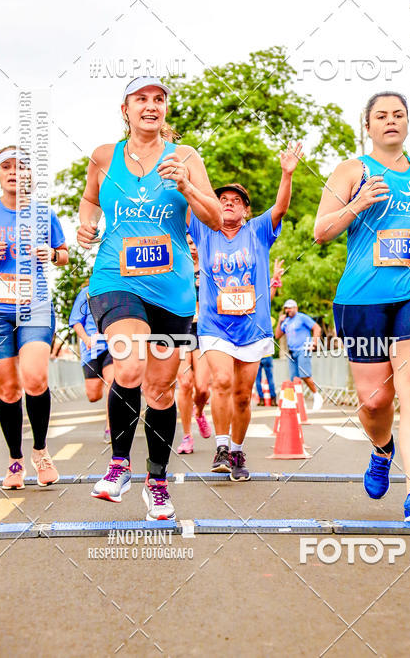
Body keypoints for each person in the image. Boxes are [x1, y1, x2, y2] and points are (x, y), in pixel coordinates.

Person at [78, 76, 222, 519]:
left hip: (174, 289)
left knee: (160, 390)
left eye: (158, 99)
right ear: (126, 109)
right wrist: (85, 225)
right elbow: (89, 199)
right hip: (115, 279)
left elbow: (216, 218)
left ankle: (156, 483)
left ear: (165, 109)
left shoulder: (186, 158)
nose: (151, 106)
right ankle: (119, 464)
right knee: (130, 362)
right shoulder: (105, 157)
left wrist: (188, 188)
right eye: (141, 99)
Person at [314, 91, 410, 523]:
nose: (391, 120)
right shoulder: (353, 170)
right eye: (381, 115)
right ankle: (381, 448)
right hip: (363, 296)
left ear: (408, 123)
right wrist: (357, 204)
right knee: (375, 401)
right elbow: (321, 231)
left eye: (399, 114)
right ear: (368, 126)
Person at [189, 143, 302, 482]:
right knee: (221, 381)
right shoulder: (204, 230)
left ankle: (237, 449)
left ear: (247, 211)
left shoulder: (257, 232)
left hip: (252, 328)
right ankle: (221, 447)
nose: (228, 203)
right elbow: (186, 204)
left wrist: (287, 173)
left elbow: (280, 208)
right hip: (214, 324)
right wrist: (186, 181)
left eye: (236, 200)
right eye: (222, 199)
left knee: (242, 395)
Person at [0, 145, 68, 489]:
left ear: (29, 176)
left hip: (34, 305)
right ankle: (15, 462)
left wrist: (50, 252)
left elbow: (65, 256)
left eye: (20, 167)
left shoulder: (43, 213)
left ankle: (40, 451)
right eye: (6, 167)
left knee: (35, 379)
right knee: (8, 390)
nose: (13, 172)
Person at [176, 234, 212, 454]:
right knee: (185, 383)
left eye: (196, 243)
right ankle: (187, 436)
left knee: (202, 387)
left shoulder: (209, 269)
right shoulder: (177, 269)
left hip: (203, 330)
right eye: (188, 243)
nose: (193, 247)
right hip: (181, 329)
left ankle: (198, 412)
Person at [69, 279, 114, 442]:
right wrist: (86, 339)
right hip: (92, 348)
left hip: (113, 345)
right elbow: (75, 321)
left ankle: (111, 427)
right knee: (93, 395)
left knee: (112, 382)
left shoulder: (117, 290)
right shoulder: (86, 293)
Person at [275, 300, 323, 410]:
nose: (288, 310)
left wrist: (314, 343)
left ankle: (317, 396)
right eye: (286, 308)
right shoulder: (286, 321)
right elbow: (277, 335)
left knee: (305, 375)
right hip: (292, 352)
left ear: (296, 308)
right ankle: (300, 403)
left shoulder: (302, 317)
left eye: (290, 308)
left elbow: (317, 328)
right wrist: (279, 322)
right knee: (294, 379)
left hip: (303, 349)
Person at [254, 259, 284, 407]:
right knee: (268, 378)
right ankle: (271, 399)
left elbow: (269, 296)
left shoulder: (259, 308)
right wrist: (275, 278)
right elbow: (269, 296)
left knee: (259, 379)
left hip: (260, 352)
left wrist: (275, 278)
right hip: (262, 352)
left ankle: (261, 399)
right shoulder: (270, 318)